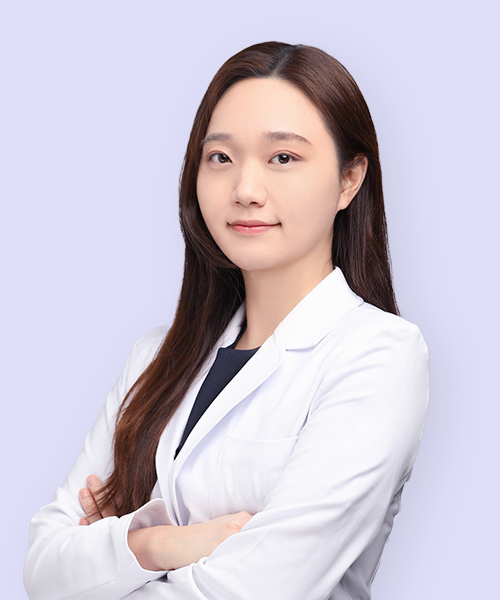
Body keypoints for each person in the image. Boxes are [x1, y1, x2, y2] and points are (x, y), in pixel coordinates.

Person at [24, 41, 429, 600]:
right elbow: (43, 570)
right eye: (220, 158)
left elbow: (255, 590)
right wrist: (160, 545)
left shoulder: (378, 355)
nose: (245, 190)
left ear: (349, 179)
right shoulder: (155, 357)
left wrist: (106, 560)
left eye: (282, 158)